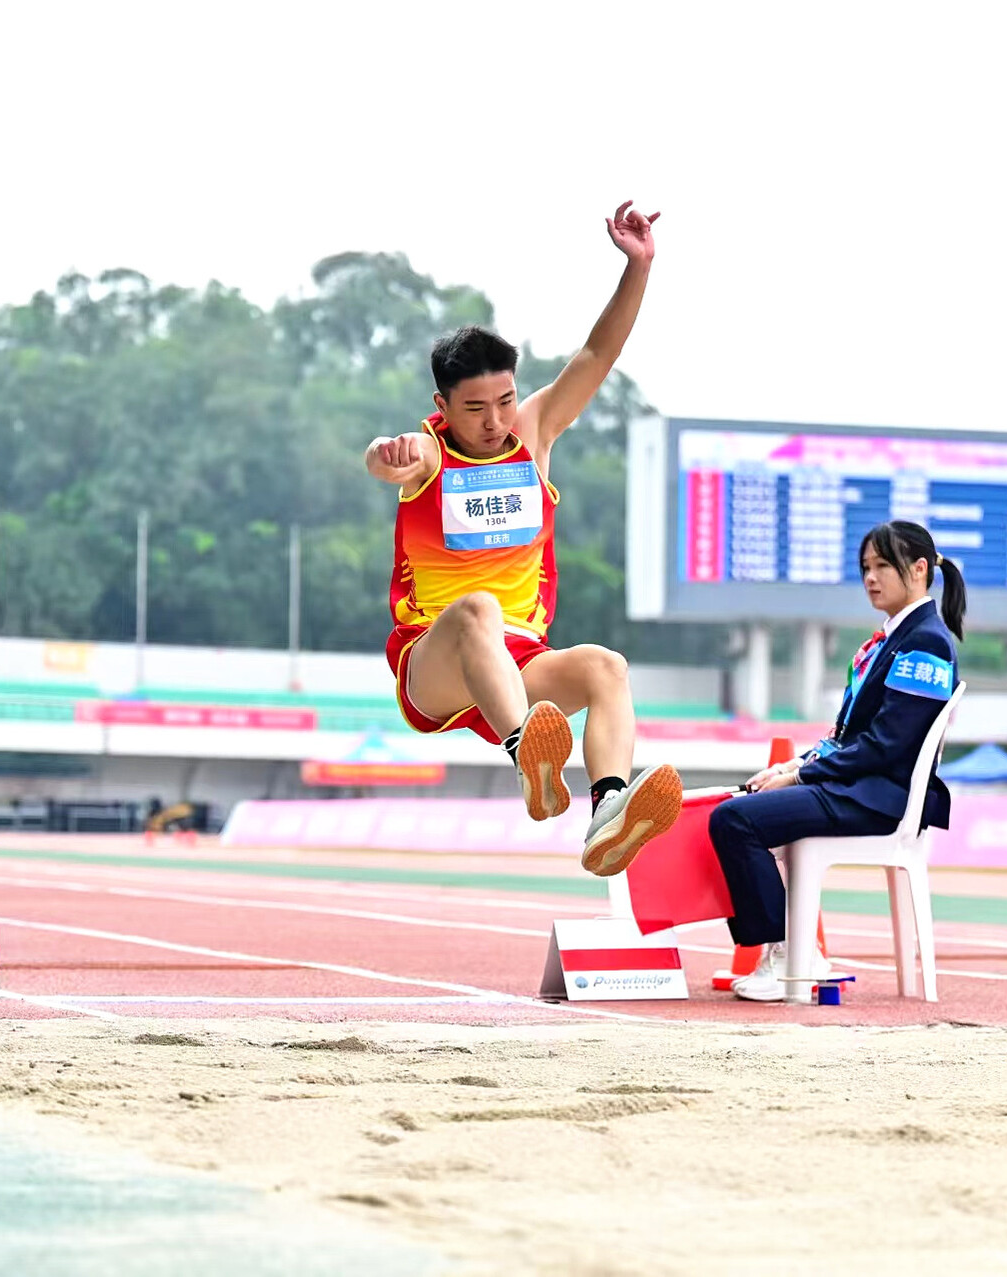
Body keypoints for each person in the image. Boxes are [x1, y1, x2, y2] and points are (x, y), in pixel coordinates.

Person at [364, 201, 682, 878]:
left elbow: (599, 352)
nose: (494, 420)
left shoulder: (533, 434)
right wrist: (383, 455)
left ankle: (609, 809)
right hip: (438, 665)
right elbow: (386, 456)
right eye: (474, 408)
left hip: (518, 662)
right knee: (477, 606)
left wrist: (639, 266)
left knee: (606, 666)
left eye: (504, 401)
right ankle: (528, 755)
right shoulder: (428, 450)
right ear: (443, 406)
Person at [709, 520, 968, 1001]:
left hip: (878, 798)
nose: (871, 577)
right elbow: (849, 736)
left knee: (735, 820)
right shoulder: (895, 637)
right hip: (853, 788)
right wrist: (788, 769)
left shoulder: (927, 642)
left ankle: (792, 955)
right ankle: (790, 951)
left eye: (883, 566)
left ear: (919, 569)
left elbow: (888, 745)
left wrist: (803, 773)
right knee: (734, 806)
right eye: (866, 567)